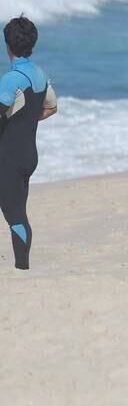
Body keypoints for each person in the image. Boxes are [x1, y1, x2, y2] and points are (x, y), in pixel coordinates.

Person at [0, 17, 57, 270]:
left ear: (7, 45)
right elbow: (51, 109)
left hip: (8, 157)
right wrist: (23, 122)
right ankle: (22, 266)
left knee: (15, 217)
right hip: (28, 154)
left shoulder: (11, 79)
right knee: (17, 211)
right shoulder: (40, 74)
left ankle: (22, 269)